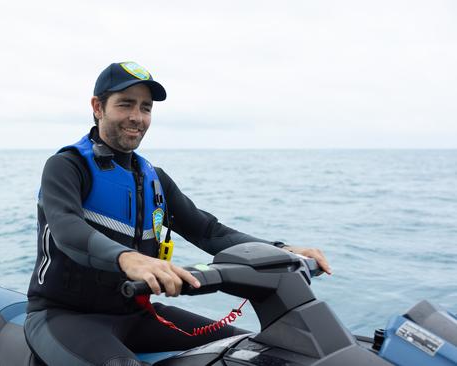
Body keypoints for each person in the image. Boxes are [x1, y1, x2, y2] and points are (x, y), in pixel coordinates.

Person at [25, 61, 331, 366]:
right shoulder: (68, 165)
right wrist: (127, 258)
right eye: (126, 104)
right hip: (63, 316)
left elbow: (209, 232)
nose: (137, 117)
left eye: (146, 108)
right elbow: (67, 228)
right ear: (97, 107)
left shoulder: (152, 178)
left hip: (135, 314)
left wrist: (278, 250)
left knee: (255, 351)